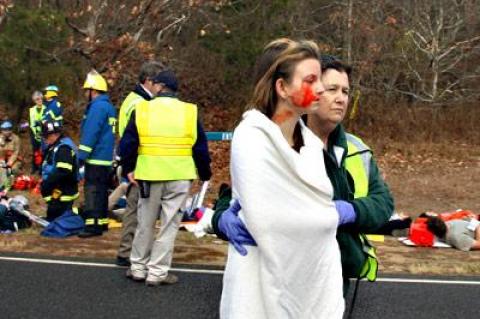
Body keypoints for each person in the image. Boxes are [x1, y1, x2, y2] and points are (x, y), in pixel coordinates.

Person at [212, 53, 394, 298]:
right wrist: (221, 220)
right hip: (281, 277)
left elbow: (383, 203)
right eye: (332, 89)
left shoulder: (356, 150)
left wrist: (351, 211)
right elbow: (232, 199)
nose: (341, 98)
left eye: (346, 91)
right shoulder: (278, 142)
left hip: (333, 276)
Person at [219, 38, 350, 319]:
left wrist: (324, 215)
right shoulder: (251, 137)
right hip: (257, 286)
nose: (320, 88)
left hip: (311, 287)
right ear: (282, 88)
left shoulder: (312, 146)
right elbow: (269, 221)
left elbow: (313, 210)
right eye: (311, 80)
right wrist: (325, 218)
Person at [119, 66, 212, 286]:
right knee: (169, 225)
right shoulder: (189, 112)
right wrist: (204, 173)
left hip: (149, 175)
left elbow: (128, 143)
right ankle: (157, 273)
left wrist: (129, 168)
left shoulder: (142, 109)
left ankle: (138, 268)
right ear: (176, 90)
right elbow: (200, 147)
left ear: (159, 87)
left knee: (145, 223)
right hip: (179, 176)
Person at [116, 61, 166, 267]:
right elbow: (133, 138)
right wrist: (130, 168)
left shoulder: (134, 99)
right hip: (138, 163)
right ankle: (127, 252)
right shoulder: (140, 103)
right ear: (148, 81)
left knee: (137, 208)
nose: (161, 89)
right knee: (136, 208)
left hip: (135, 162)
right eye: (158, 84)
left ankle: (130, 250)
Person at [77, 70, 116, 238]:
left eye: (87, 90)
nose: (86, 94)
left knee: (92, 191)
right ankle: (101, 222)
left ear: (93, 90)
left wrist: (81, 156)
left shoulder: (97, 107)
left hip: (96, 157)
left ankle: (92, 225)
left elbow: (90, 133)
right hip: (106, 158)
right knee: (101, 192)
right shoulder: (109, 107)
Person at [40, 120, 79, 222]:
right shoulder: (55, 146)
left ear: (55, 134)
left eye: (46, 136)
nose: (44, 139)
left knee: (60, 218)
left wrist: (48, 183)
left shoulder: (63, 148)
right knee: (52, 214)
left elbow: (63, 171)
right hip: (58, 189)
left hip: (63, 190)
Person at [29, 91, 46, 174]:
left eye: (40, 99)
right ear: (34, 101)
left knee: (44, 150)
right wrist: (36, 133)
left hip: (44, 132)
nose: (39, 101)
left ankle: (41, 167)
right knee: (35, 150)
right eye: (37, 99)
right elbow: (32, 123)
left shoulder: (46, 108)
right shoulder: (31, 110)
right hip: (34, 132)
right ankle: (34, 167)